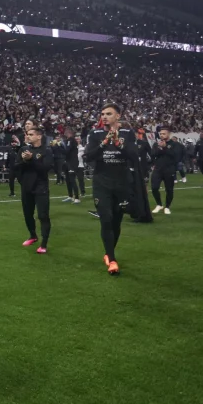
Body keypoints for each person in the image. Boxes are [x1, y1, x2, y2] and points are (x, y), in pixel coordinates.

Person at [84, 104, 138, 276]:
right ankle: (112, 260)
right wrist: (104, 143)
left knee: (116, 221)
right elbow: (88, 157)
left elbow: (133, 156)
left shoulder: (128, 134)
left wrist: (118, 143)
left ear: (118, 116)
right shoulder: (95, 134)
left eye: (108, 114)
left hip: (121, 183)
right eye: (102, 114)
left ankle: (108, 253)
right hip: (102, 183)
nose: (104, 116)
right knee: (106, 219)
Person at [16, 127, 52, 253]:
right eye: (28, 134)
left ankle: (44, 244)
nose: (28, 136)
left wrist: (32, 160)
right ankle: (33, 236)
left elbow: (45, 169)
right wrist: (25, 161)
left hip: (40, 187)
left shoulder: (46, 150)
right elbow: (17, 166)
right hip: (26, 188)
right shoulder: (24, 149)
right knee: (27, 214)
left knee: (43, 215)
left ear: (39, 136)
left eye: (31, 134)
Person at [150, 127, 184, 215]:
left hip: (169, 169)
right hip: (158, 169)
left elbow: (176, 156)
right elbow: (153, 154)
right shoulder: (156, 144)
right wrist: (160, 148)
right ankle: (159, 204)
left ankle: (167, 207)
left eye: (163, 133)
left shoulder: (175, 144)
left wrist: (165, 148)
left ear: (169, 134)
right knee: (154, 188)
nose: (161, 135)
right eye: (160, 134)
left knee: (169, 189)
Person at [128, 128, 154, 223]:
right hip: (131, 170)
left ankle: (144, 208)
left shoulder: (143, 143)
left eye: (136, 133)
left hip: (142, 169)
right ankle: (135, 210)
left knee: (143, 188)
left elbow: (151, 154)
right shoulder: (128, 144)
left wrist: (151, 165)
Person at [63, 128, 84, 204]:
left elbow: (67, 150)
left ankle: (77, 198)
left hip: (72, 163)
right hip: (68, 162)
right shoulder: (69, 140)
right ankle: (70, 196)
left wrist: (59, 148)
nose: (64, 134)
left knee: (72, 180)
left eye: (66, 132)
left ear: (69, 133)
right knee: (68, 180)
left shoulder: (71, 140)